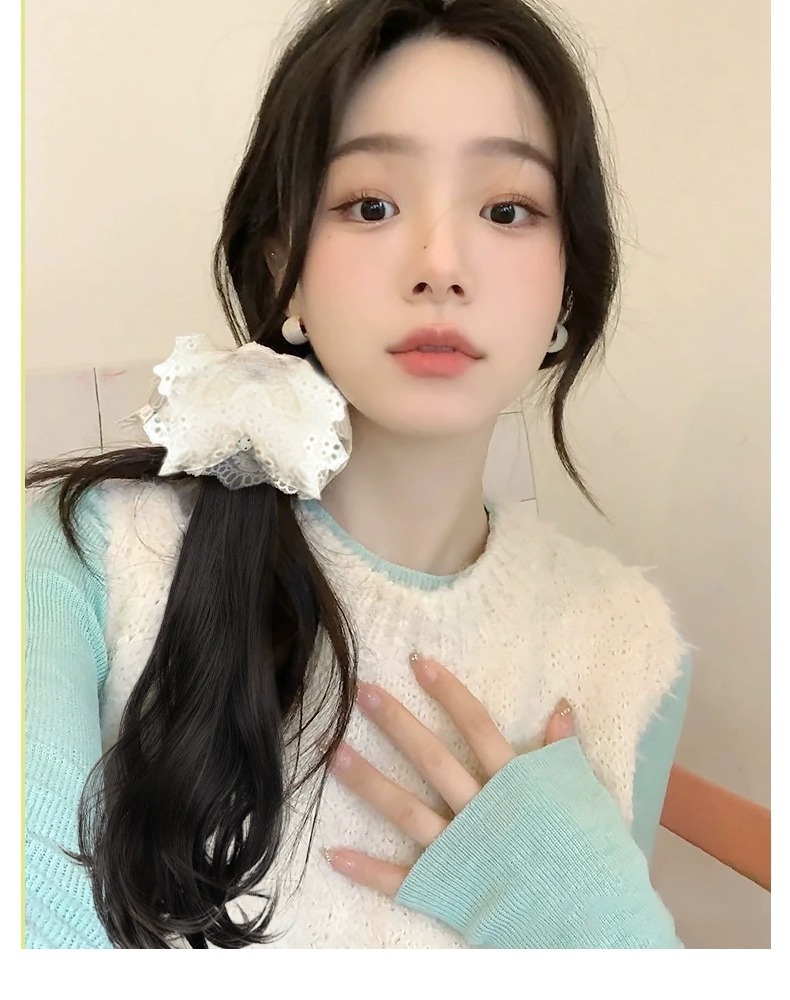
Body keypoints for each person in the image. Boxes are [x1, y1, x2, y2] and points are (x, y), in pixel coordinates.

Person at [25, 0, 692, 949]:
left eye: (507, 210)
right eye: (371, 205)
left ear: (566, 289)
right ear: (284, 270)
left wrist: (600, 928)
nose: (440, 266)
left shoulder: (634, 646)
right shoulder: (79, 554)